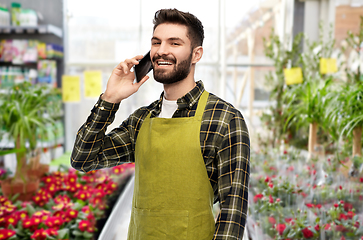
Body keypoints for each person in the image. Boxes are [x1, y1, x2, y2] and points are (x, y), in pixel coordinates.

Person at [71, 8, 250, 240]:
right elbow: (83, 158)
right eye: (156, 42)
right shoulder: (141, 119)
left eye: (174, 43)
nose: (161, 50)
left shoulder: (224, 118)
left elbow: (232, 214)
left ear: (196, 54)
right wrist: (110, 98)